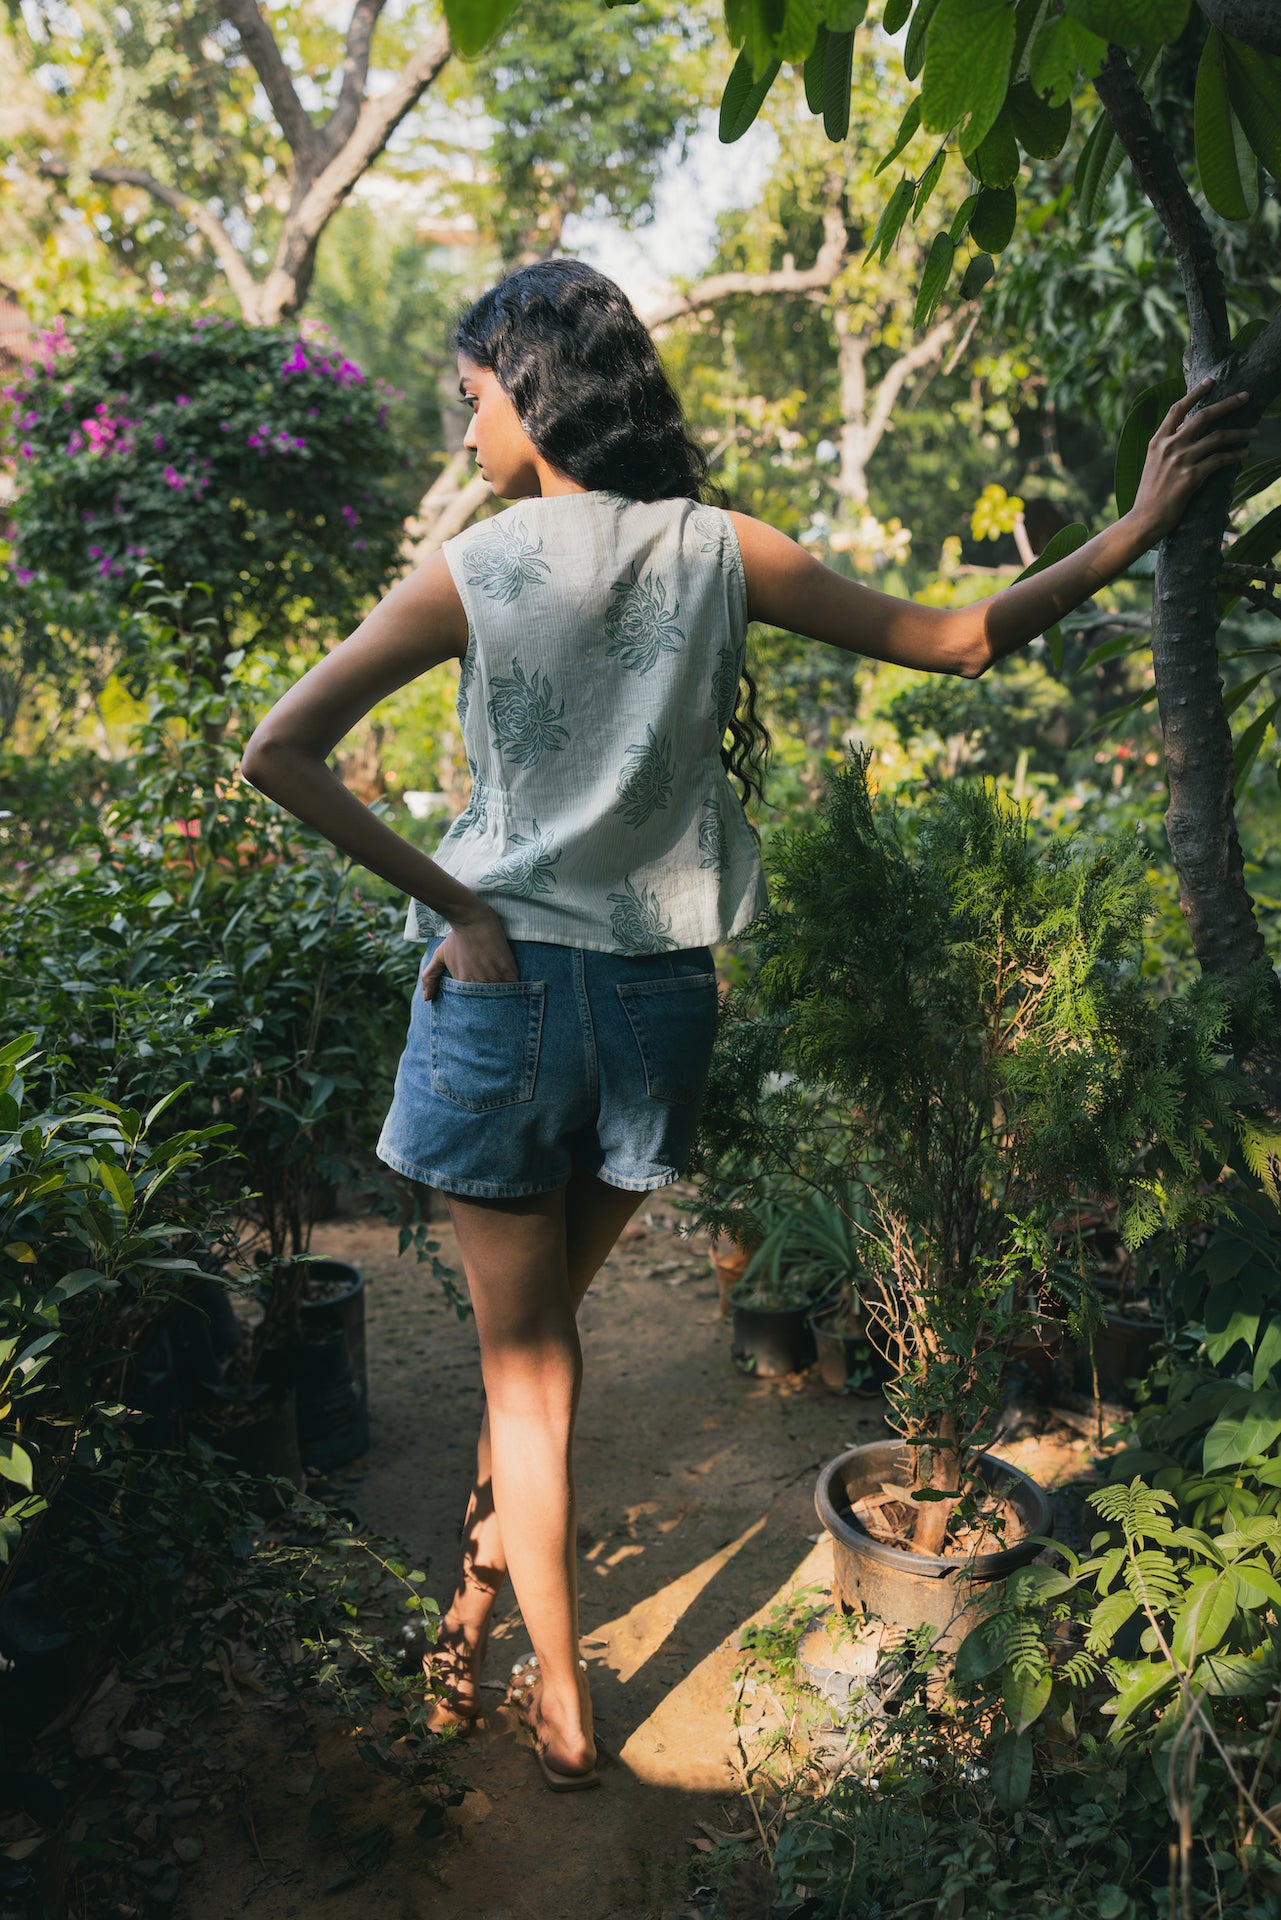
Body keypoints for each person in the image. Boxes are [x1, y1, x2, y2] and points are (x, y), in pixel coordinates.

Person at [241, 258, 1255, 1793]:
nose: (465, 435)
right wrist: (1135, 525)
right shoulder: (725, 550)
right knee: (541, 1352)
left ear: (533, 390)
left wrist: (459, 905)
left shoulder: (483, 563)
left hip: (504, 1003)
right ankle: (464, 1623)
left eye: (473, 402)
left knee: (523, 1372)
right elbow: (963, 640)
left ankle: (565, 1706)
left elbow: (281, 750)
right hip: (656, 1005)